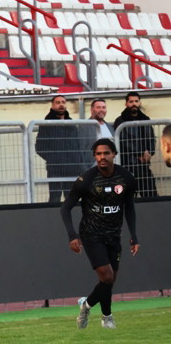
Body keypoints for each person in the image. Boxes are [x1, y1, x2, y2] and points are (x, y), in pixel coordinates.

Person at [60, 138, 138, 330]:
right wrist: (72, 235)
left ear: (114, 154)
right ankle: (107, 318)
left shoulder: (126, 178)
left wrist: (134, 235)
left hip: (114, 235)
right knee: (107, 277)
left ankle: (86, 305)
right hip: (91, 234)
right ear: (94, 156)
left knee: (109, 281)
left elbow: (129, 207)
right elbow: (65, 208)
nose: (102, 157)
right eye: (98, 154)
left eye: (106, 153)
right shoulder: (86, 180)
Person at [35, 95, 84, 203]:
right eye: (58, 102)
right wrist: (55, 159)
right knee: (55, 199)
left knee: (72, 198)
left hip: (72, 168)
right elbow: (40, 147)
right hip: (55, 168)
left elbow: (77, 145)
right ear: (52, 105)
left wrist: (78, 161)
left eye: (63, 102)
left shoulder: (71, 123)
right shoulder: (46, 124)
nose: (61, 105)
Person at [113, 91, 157, 197]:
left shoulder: (146, 119)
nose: (134, 104)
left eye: (136, 101)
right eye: (131, 101)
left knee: (151, 195)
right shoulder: (120, 121)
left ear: (140, 103)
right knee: (128, 198)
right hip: (127, 165)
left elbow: (152, 138)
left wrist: (149, 152)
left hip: (144, 166)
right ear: (126, 104)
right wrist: (140, 153)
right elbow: (123, 141)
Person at [79, 99, 113, 168]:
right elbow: (81, 150)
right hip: (92, 166)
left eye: (103, 107)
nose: (101, 110)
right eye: (98, 107)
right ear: (91, 110)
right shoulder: (84, 126)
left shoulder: (109, 126)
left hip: (110, 166)